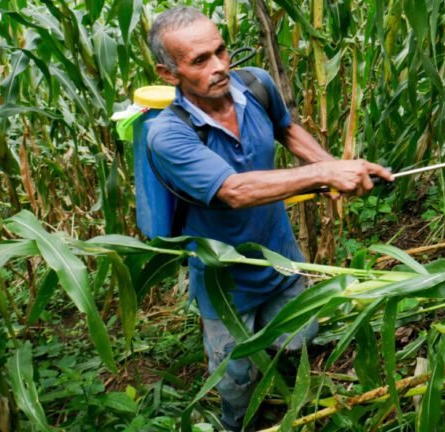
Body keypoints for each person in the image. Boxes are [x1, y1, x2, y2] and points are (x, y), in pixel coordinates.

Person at [146, 6, 393, 430]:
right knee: (235, 375)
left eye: (221, 50)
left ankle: (289, 405)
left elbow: (287, 128)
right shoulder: (168, 135)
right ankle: (238, 423)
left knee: (297, 341)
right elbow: (234, 191)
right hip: (225, 280)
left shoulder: (255, 84)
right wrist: (324, 173)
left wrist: (337, 168)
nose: (221, 66)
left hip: (281, 257)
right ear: (169, 74)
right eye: (200, 60)